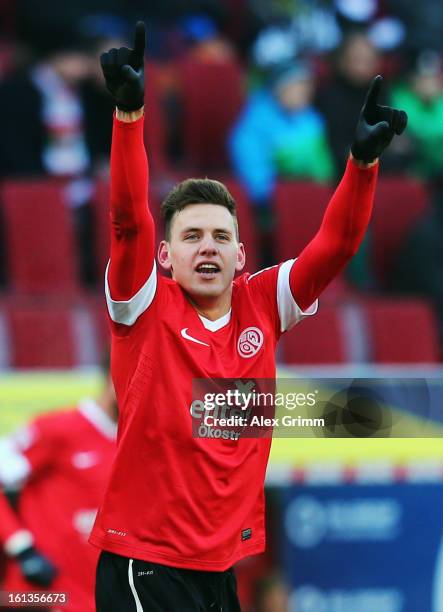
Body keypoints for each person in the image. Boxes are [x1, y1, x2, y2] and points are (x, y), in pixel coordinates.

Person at [90, 21, 407, 611]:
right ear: (165, 255)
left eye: (219, 236)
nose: (206, 247)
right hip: (146, 563)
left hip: (219, 568)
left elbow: (335, 246)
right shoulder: (142, 303)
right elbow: (128, 218)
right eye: (190, 237)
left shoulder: (262, 302)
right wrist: (129, 117)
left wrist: (361, 166)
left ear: (241, 253)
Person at [0, 371, 117, 612]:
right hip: (42, 597)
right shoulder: (56, 428)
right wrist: (21, 547)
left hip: (95, 597)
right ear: (115, 379)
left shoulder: (144, 440)